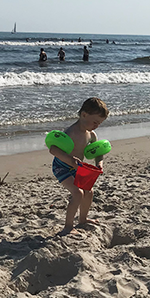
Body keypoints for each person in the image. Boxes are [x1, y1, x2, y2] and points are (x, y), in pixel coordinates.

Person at [48, 97, 110, 236]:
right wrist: (70, 160)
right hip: (62, 167)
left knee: (89, 191)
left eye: (99, 123)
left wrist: (99, 164)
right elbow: (53, 150)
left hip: (77, 167)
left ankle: (82, 219)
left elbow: (98, 152)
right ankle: (68, 227)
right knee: (77, 193)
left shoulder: (91, 135)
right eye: (95, 122)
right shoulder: (70, 133)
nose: (96, 126)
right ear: (83, 115)